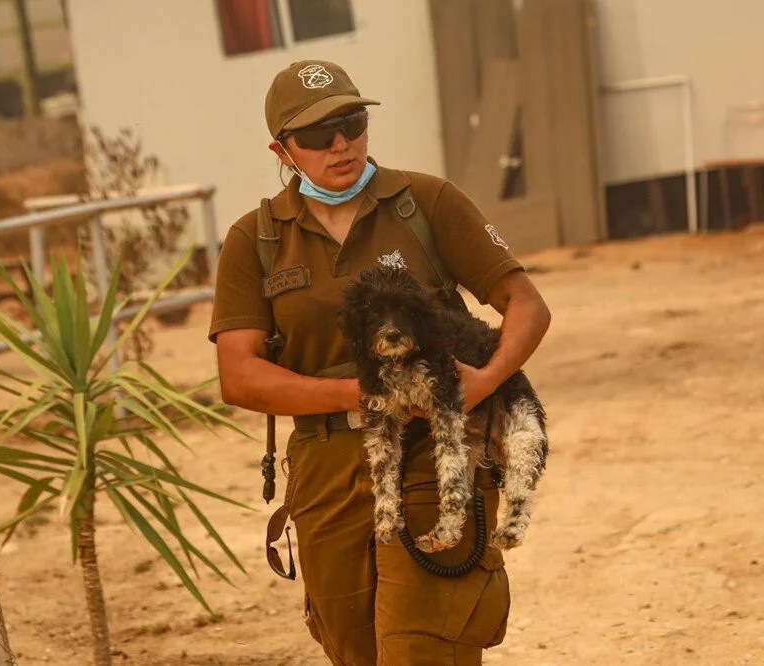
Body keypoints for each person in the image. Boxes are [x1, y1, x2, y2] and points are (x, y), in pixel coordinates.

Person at [209, 60, 551, 665]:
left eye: (352, 122)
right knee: (352, 646)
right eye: (317, 134)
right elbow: (239, 375)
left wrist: (485, 381)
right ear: (282, 149)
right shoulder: (254, 239)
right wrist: (358, 398)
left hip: (433, 446)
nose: (340, 144)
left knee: (423, 644)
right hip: (326, 466)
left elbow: (525, 304)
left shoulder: (426, 202)